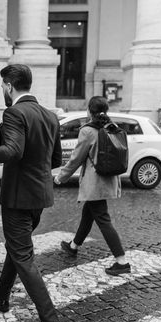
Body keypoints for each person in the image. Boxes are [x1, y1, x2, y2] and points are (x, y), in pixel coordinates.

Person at [0, 64, 66, 322]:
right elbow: (55, 161)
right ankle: (0, 295)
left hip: (18, 199)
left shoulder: (14, 112)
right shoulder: (50, 115)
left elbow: (11, 152)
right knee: (17, 249)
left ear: (8, 86)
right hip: (39, 197)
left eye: (1, 87)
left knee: (23, 256)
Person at [54, 96, 131, 276]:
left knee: (103, 219)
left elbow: (77, 158)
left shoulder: (88, 131)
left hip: (95, 182)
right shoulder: (111, 127)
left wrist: (61, 177)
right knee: (88, 214)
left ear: (89, 110)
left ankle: (122, 261)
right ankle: (74, 246)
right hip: (109, 178)